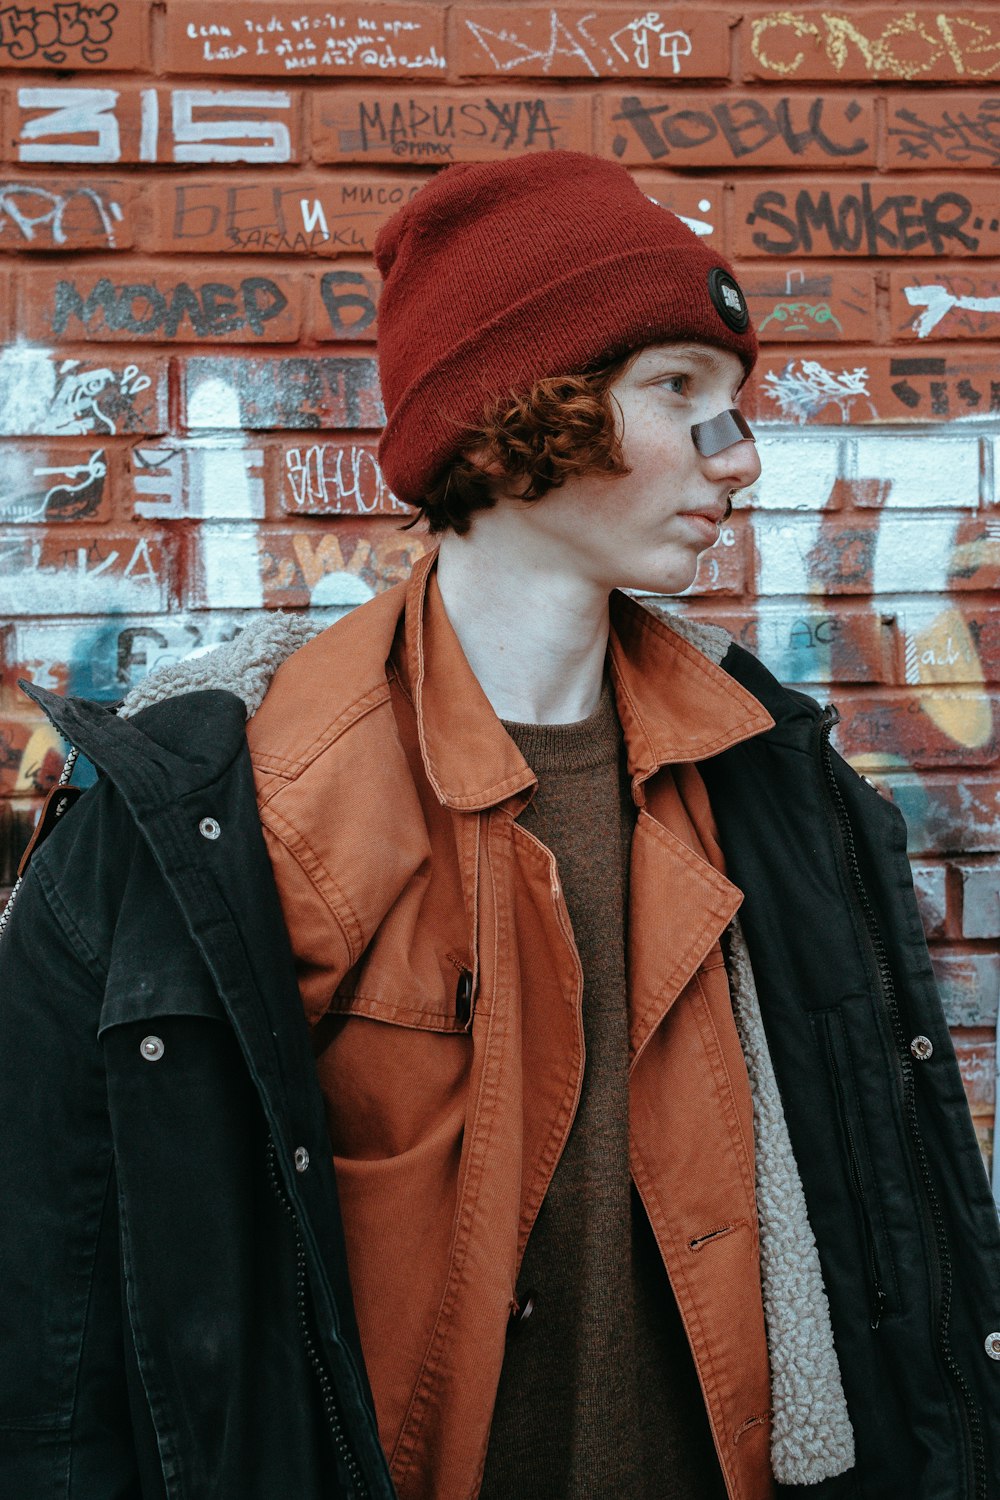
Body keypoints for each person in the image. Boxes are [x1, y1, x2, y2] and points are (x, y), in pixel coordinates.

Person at [1, 151, 998, 1500]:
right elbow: (64, 1338)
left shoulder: (784, 789)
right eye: (679, 394)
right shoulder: (206, 820)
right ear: (523, 409)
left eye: (738, 405)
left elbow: (902, 1242)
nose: (740, 455)